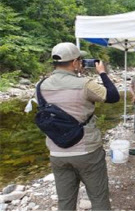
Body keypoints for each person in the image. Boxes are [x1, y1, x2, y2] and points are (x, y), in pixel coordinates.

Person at [37, 42, 119, 211]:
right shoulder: (85, 84)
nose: (81, 63)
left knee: (65, 202)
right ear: (74, 62)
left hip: (57, 152)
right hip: (86, 151)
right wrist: (102, 73)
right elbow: (113, 96)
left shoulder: (41, 86)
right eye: (80, 60)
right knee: (98, 199)